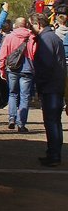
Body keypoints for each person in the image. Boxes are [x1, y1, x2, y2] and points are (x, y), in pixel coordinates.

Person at [31, 12, 66, 166]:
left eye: (32, 25)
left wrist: (39, 85)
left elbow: (45, 65)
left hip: (50, 86)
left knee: (51, 122)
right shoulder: (54, 38)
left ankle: (54, 155)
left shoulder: (46, 39)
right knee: (55, 122)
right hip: (56, 84)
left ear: (38, 24)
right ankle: (54, 152)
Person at [0, 14, 37, 132]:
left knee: (13, 94)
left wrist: (2, 69)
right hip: (27, 69)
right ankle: (21, 124)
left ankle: (11, 118)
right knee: (25, 96)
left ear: (15, 25)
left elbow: (2, 54)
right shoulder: (31, 37)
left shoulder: (9, 37)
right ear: (26, 25)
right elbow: (34, 53)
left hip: (12, 69)